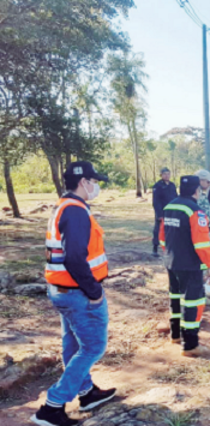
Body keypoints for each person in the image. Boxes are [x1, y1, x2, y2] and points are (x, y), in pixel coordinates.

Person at [33, 161, 115, 426]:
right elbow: (75, 258)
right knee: (93, 346)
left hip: (63, 290)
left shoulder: (64, 207)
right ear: (83, 182)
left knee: (74, 345)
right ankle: (52, 407)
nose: (96, 186)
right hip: (77, 293)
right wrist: (94, 292)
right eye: (94, 181)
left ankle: (87, 392)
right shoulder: (76, 211)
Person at [159, 175, 210, 357]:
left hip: (171, 262)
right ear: (197, 191)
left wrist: (170, 253)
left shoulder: (169, 207)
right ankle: (190, 345)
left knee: (175, 298)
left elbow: (162, 237)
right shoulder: (196, 211)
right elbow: (201, 244)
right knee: (193, 302)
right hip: (190, 266)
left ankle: (175, 335)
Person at [152, 167, 177, 257]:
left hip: (172, 211)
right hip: (162, 211)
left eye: (168, 174)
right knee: (158, 230)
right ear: (161, 175)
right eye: (165, 174)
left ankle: (169, 249)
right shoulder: (158, 186)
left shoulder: (172, 185)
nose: (167, 176)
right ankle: (155, 248)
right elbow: (156, 201)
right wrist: (159, 214)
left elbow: (175, 197)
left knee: (171, 230)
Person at [194, 169, 210, 252]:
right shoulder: (196, 194)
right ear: (200, 181)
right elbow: (197, 213)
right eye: (208, 182)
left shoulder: (201, 193)